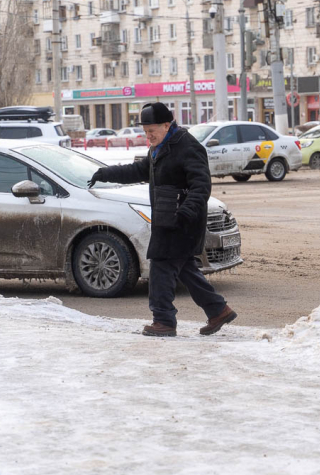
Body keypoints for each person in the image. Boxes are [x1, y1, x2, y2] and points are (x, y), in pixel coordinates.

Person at [88, 102, 237, 337]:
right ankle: (218, 310)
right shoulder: (159, 148)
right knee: (185, 268)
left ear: (167, 125)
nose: (148, 136)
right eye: (145, 132)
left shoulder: (188, 147)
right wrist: (106, 173)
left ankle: (164, 320)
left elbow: (201, 186)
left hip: (183, 222)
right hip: (167, 217)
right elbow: (139, 171)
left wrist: (186, 212)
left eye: (152, 131)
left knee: (160, 267)